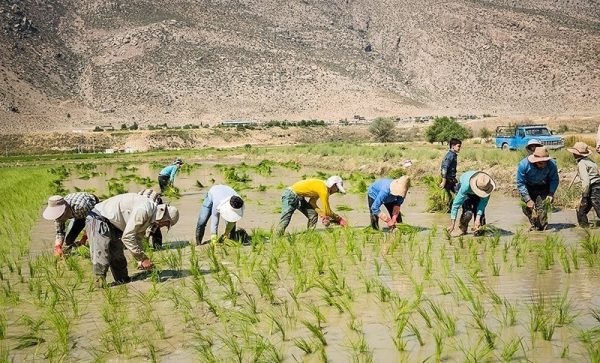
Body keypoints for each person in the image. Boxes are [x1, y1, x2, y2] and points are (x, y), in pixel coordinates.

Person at [86, 193, 179, 287]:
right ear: (164, 218)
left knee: (118, 259)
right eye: (166, 224)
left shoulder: (151, 217)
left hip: (115, 224)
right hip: (99, 218)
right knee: (101, 255)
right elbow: (127, 237)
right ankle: (100, 284)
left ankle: (122, 281)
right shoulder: (145, 210)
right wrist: (143, 258)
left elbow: (138, 238)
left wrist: (140, 261)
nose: (162, 226)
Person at [276, 176, 348, 235]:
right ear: (333, 185)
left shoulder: (321, 187)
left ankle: (309, 235)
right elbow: (327, 211)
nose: (336, 191)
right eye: (337, 189)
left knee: (313, 214)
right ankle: (277, 238)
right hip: (290, 195)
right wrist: (339, 219)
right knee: (286, 218)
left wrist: (322, 215)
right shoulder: (323, 190)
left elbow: (312, 203)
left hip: (299, 197)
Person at [516, 146, 559, 231]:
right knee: (527, 209)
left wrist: (551, 193)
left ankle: (543, 227)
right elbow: (520, 183)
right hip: (528, 187)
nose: (543, 165)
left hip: (543, 186)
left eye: (545, 163)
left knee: (542, 208)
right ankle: (534, 225)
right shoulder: (523, 165)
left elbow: (554, 179)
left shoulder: (552, 164)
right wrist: (528, 199)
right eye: (540, 163)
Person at [447, 171, 496, 236]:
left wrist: (477, 219)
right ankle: (462, 229)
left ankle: (478, 229)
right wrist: (452, 224)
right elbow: (455, 205)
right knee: (467, 213)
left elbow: (482, 205)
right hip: (466, 192)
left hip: (477, 190)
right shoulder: (465, 186)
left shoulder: (487, 187)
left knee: (480, 225)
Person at [568, 142, 600, 227]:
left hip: (592, 188)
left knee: (590, 208)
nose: (573, 154)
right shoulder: (590, 161)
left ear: (577, 154)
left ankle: (584, 227)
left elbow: (586, 181)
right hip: (597, 186)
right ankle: (585, 228)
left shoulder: (581, 163)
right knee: (582, 210)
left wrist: (585, 196)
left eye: (574, 153)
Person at [439, 138, 461, 212]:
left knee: (459, 194)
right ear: (453, 146)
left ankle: (451, 210)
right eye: (458, 146)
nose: (459, 148)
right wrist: (443, 181)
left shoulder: (454, 155)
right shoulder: (450, 156)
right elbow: (444, 168)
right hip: (447, 180)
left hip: (452, 179)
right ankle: (449, 211)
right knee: (450, 196)